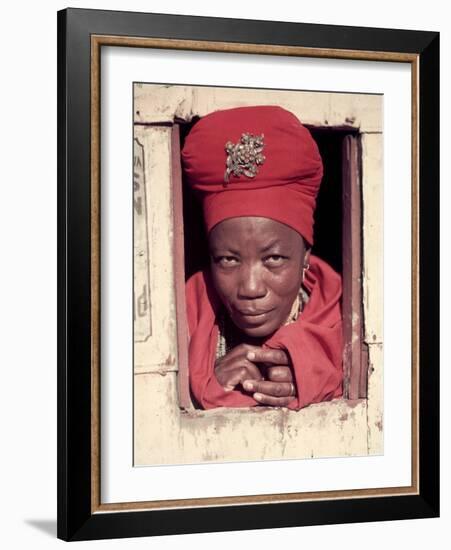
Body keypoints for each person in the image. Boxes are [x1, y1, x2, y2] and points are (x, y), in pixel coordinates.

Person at [181, 105, 343, 410]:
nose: (251, 287)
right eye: (228, 260)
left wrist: (311, 372)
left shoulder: (348, 320)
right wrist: (211, 383)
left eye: (274, 259)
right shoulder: (181, 320)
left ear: (306, 255)